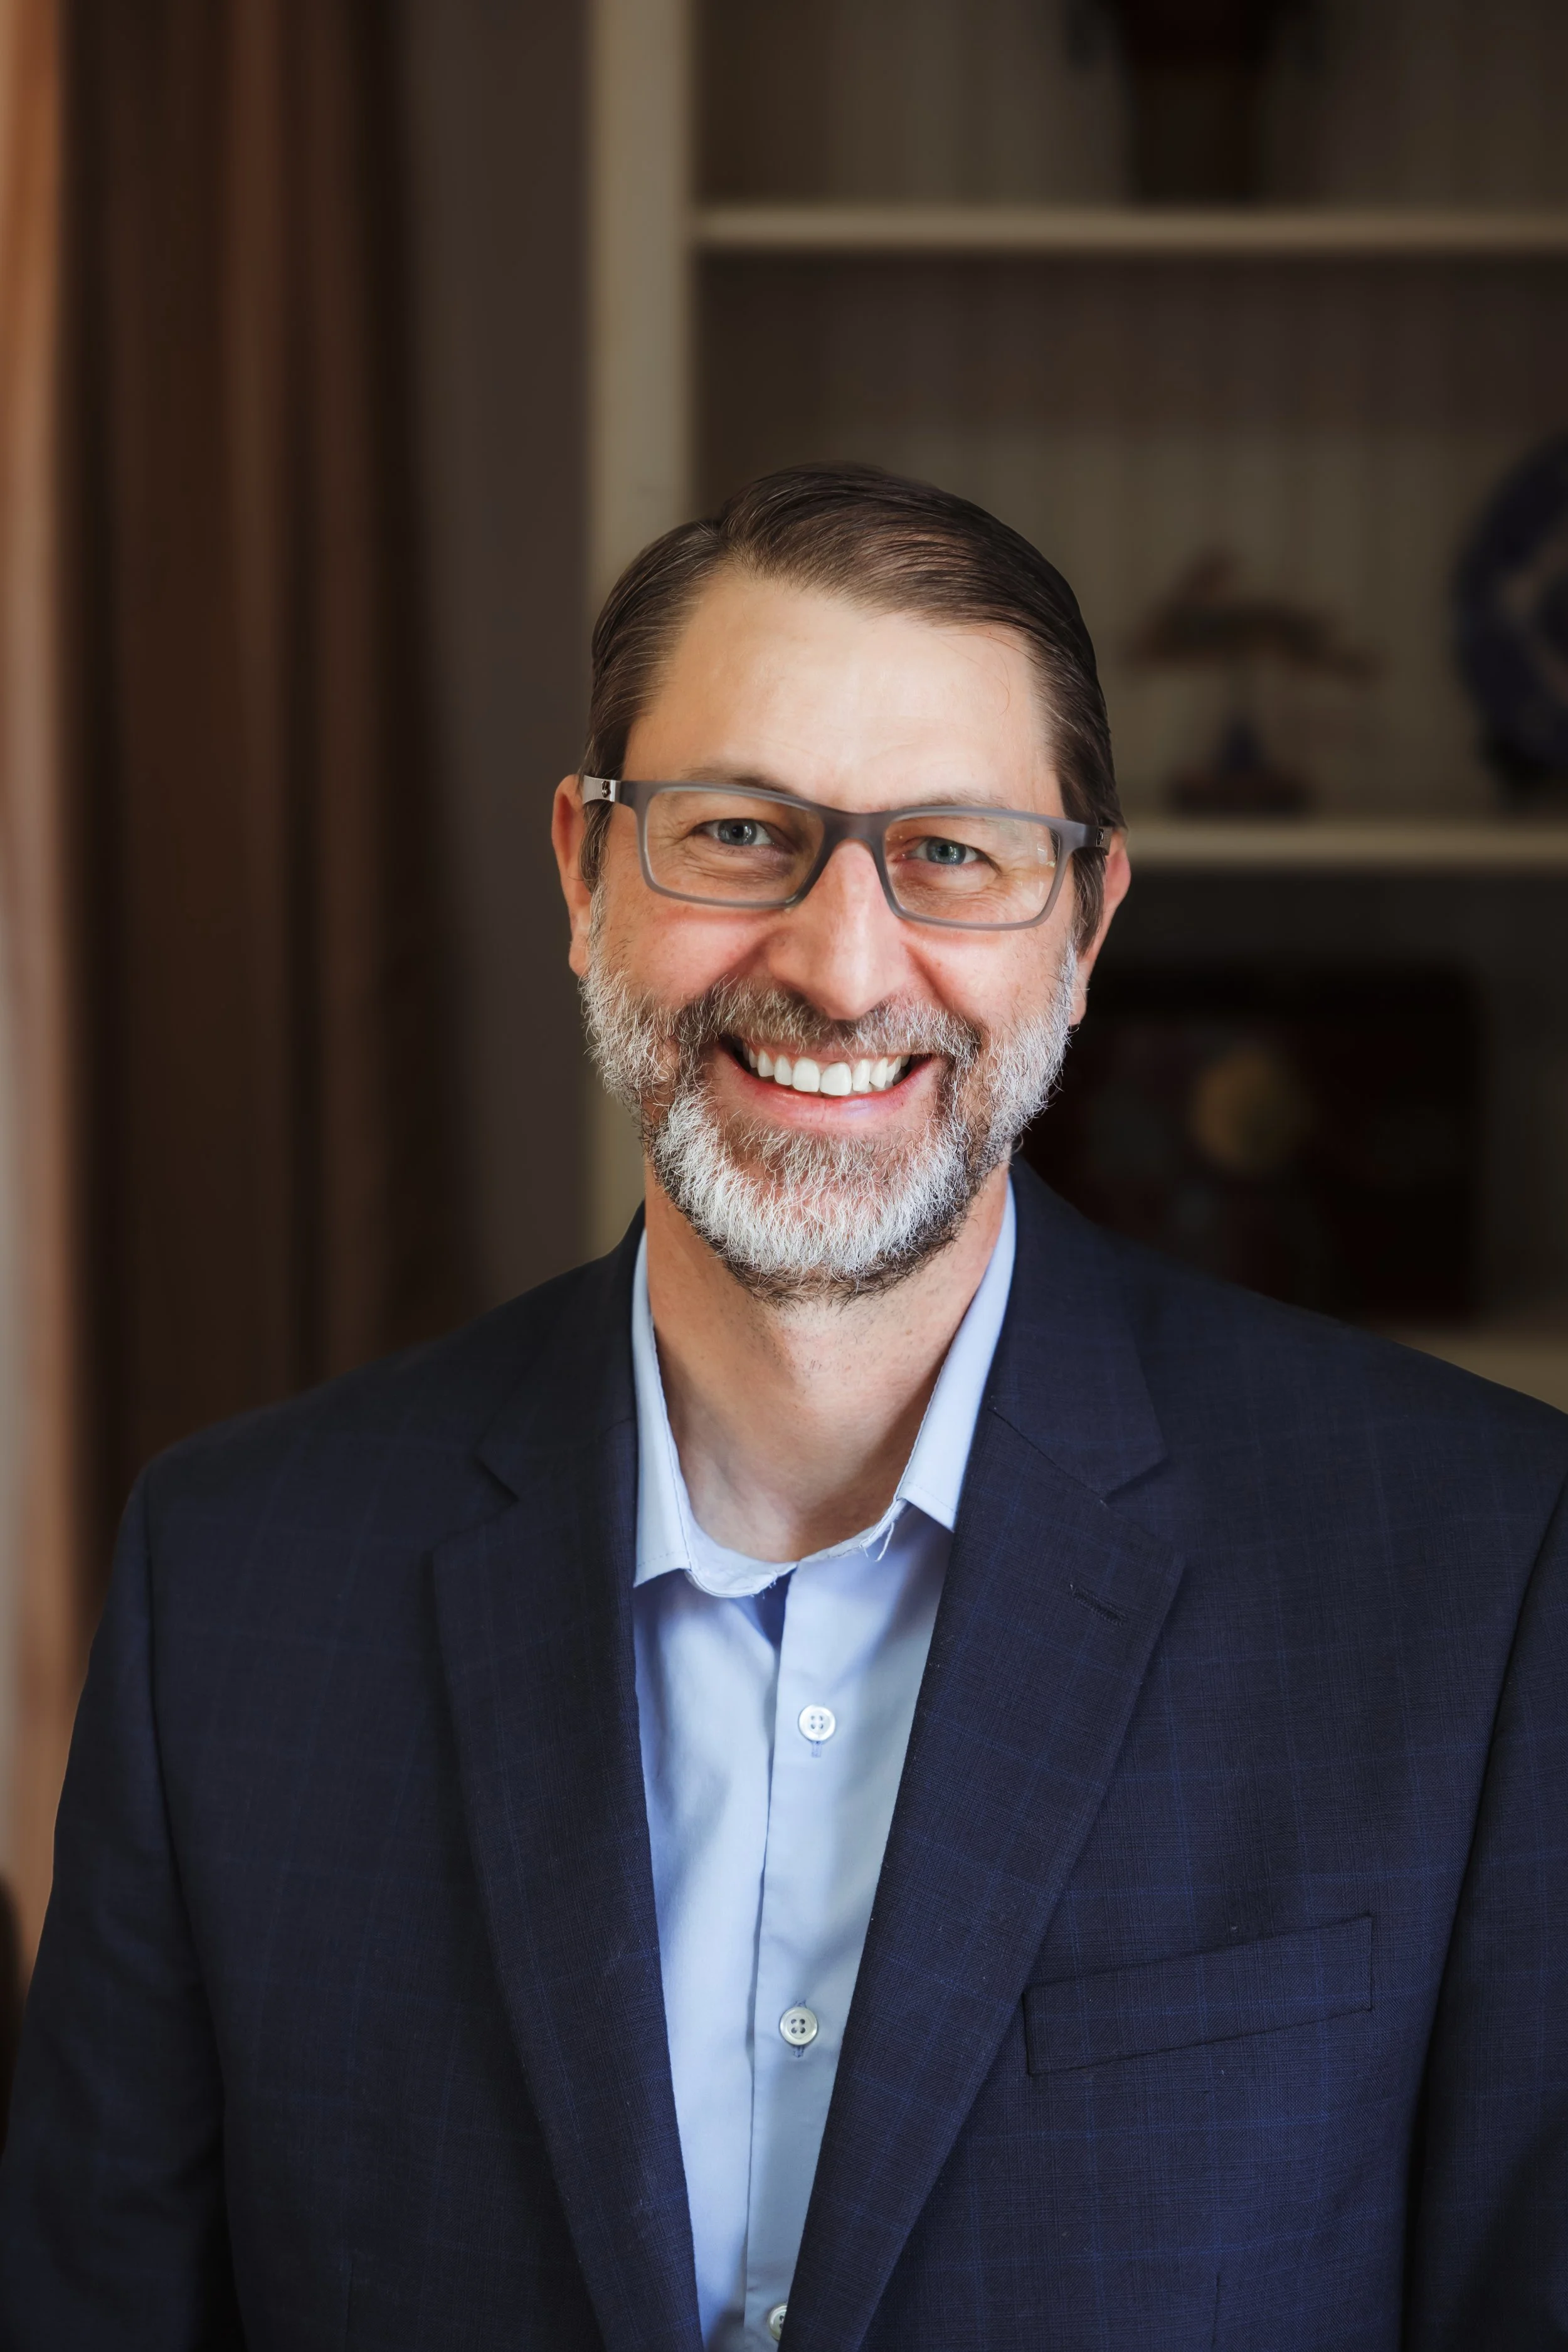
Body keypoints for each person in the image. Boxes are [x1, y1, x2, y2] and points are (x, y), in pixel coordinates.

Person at [1, 465, 1564, 2352]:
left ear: (1080, 923)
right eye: (740, 831)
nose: (836, 960)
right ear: (582, 876)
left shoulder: (1479, 1574)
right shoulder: (235, 1581)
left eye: (955, 852)